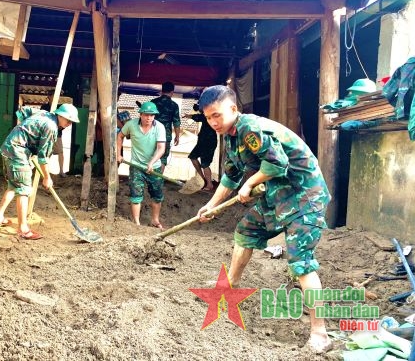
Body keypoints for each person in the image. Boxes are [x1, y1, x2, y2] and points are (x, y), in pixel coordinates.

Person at [195, 85, 331, 353]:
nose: (213, 122)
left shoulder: (250, 128)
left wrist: (251, 184)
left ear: (233, 109)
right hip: (277, 196)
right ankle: (229, 287)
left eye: (217, 115)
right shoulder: (231, 137)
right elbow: (231, 177)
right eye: (208, 117)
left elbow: (277, 163)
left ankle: (321, 333)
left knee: (300, 261)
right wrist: (211, 206)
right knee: (246, 230)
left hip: (304, 195)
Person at [0, 103, 80, 240]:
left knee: (13, 185)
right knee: (24, 189)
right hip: (18, 152)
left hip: (9, 148)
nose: (69, 123)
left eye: (71, 121)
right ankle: (23, 228)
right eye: (68, 120)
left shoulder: (43, 113)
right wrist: (47, 177)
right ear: (59, 115)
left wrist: (25, 133)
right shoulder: (51, 128)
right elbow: (43, 158)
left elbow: (22, 112)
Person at [116, 101, 166, 230]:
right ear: (141, 115)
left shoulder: (159, 127)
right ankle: (136, 223)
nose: (149, 118)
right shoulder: (131, 125)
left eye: (152, 115)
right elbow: (120, 136)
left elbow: (161, 148)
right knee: (136, 196)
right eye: (146, 115)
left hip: (154, 168)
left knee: (157, 196)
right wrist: (118, 154)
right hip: (136, 166)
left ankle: (155, 220)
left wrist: (151, 163)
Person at [185, 103, 217, 192]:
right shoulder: (207, 113)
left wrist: (190, 116)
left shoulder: (210, 114)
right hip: (202, 142)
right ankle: (204, 180)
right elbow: (199, 116)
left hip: (208, 142)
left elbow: (200, 117)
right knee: (193, 157)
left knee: (205, 164)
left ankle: (209, 184)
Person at [151, 81, 181, 173]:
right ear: (172, 92)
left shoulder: (153, 102)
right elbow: (176, 122)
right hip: (165, 136)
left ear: (162, 90)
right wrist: (177, 136)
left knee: (150, 156)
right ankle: (158, 180)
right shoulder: (174, 105)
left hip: (151, 134)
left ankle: (148, 179)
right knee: (163, 157)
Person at [41, 98, 66, 177]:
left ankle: (61, 171)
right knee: (46, 153)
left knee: (60, 152)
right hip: (45, 133)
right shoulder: (44, 107)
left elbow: (64, 121)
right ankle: (45, 173)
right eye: (52, 96)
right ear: (49, 97)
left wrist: (60, 127)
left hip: (57, 134)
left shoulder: (60, 107)